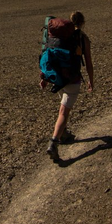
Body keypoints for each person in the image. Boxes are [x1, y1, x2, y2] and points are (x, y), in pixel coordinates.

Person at [40, 11, 94, 161]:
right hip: (72, 79)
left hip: (57, 78)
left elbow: (46, 52)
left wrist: (44, 77)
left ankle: (64, 134)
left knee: (63, 105)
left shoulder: (58, 37)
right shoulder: (82, 39)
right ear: (82, 22)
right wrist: (91, 80)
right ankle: (54, 142)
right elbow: (88, 63)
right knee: (64, 111)